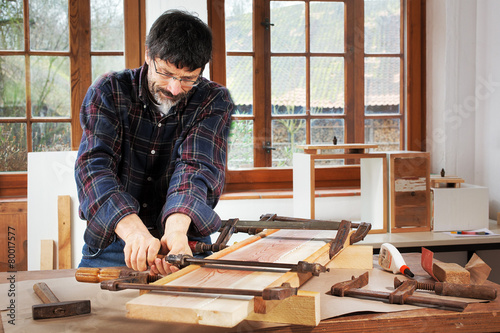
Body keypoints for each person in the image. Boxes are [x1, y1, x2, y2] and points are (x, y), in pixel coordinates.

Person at [75, 10, 234, 276]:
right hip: (115, 240)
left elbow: (196, 168)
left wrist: (175, 233)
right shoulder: (109, 90)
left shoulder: (213, 100)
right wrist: (134, 232)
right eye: (166, 73)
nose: (174, 88)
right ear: (148, 54)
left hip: (183, 242)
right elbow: (94, 169)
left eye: (187, 79)